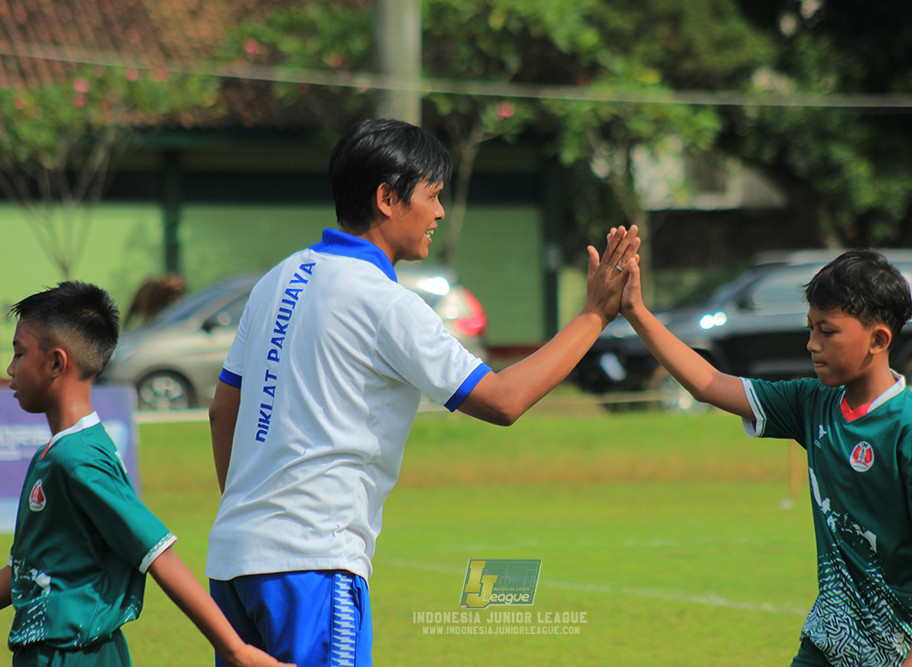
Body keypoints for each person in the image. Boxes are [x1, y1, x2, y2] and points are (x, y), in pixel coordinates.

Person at [205, 118, 639, 667]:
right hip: (312, 562)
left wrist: (252, 516)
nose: (438, 213)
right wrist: (594, 315)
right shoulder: (387, 304)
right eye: (432, 196)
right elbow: (502, 401)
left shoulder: (277, 279)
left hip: (233, 562)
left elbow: (224, 412)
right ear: (387, 198)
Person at [619, 250, 912, 667]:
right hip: (832, 636)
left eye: (827, 331)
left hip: (902, 644)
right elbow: (709, 384)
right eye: (810, 328)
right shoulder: (812, 402)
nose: (812, 343)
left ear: (878, 339)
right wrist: (636, 312)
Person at [1, 281, 292, 667]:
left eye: (19, 353)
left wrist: (236, 651)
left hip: (75, 656)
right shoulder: (53, 455)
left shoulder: (80, 460)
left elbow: (159, 555)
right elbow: (26, 571)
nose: (10, 368)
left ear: (57, 362)